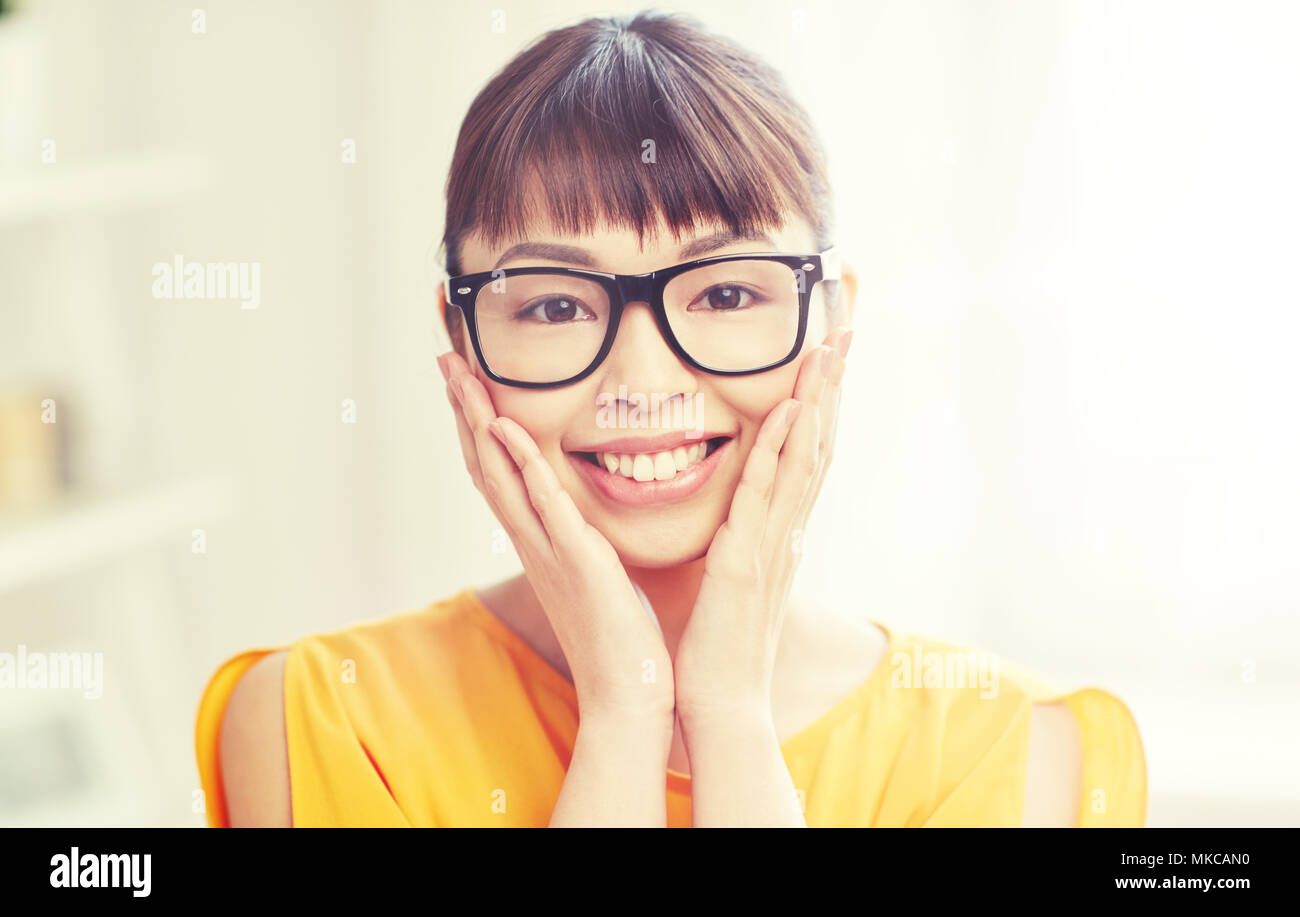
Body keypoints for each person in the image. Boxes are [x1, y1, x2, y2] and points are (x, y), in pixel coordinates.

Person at [195, 10, 1146, 827]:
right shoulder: (319, 724)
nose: (642, 381)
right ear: (460, 333)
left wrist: (729, 717)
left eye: (727, 293)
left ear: (832, 318)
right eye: (557, 305)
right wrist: (622, 713)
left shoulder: (1011, 750)